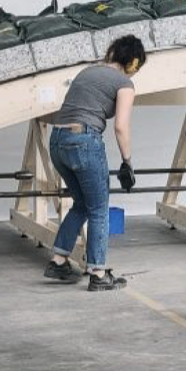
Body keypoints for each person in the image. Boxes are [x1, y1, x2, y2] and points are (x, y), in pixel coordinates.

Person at [43, 35, 144, 291]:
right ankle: (98, 274)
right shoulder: (124, 84)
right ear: (134, 64)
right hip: (84, 141)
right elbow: (121, 127)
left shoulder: (88, 71)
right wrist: (127, 162)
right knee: (99, 207)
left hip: (57, 140)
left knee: (82, 204)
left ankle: (58, 260)